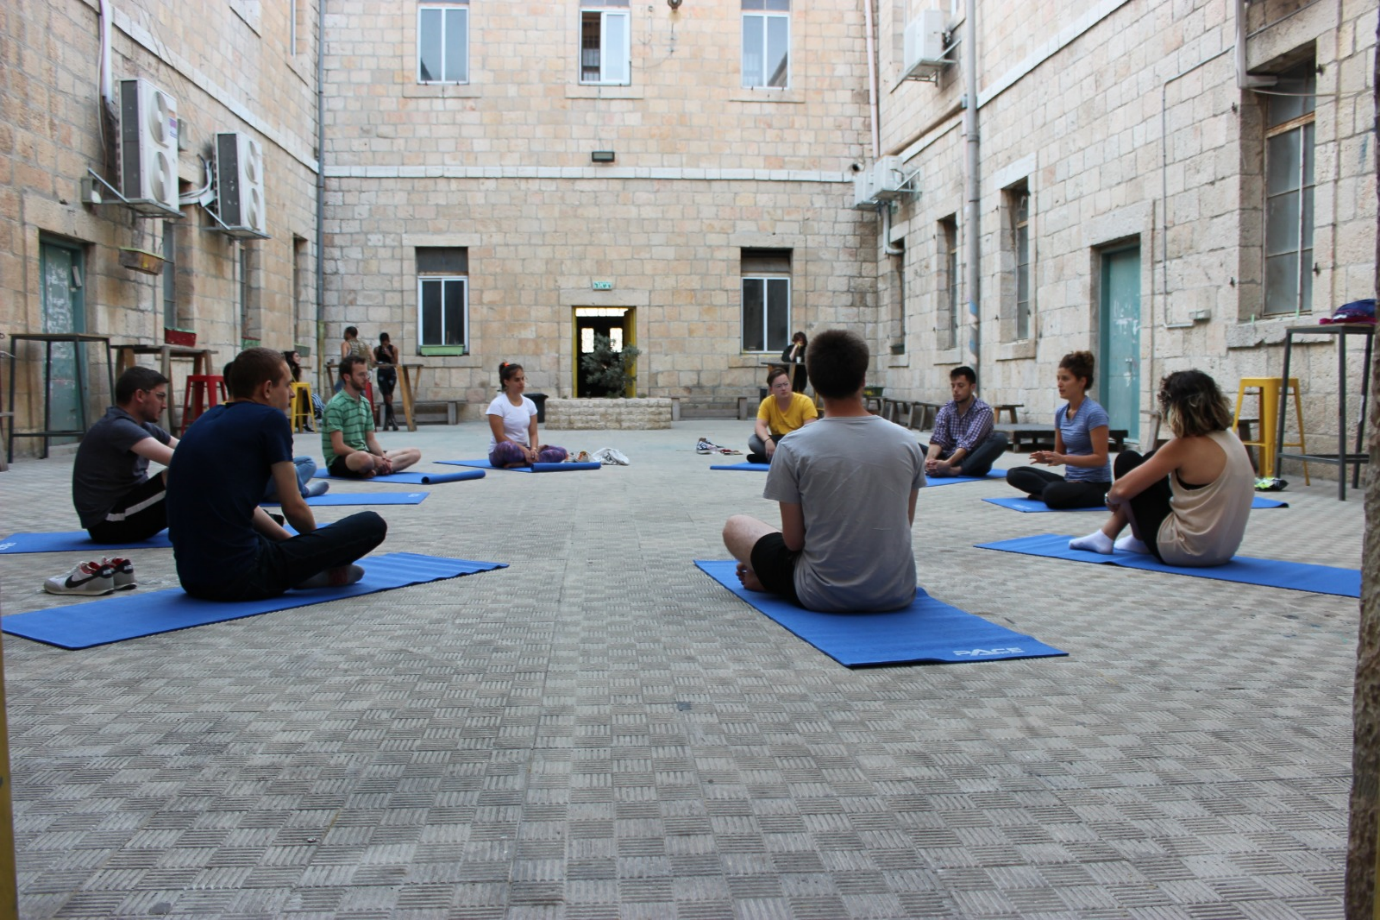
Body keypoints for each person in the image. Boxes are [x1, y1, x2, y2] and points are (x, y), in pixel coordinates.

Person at [723, 329, 925, 613]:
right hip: (897, 589)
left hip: (820, 592)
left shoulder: (793, 447)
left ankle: (772, 581)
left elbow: (794, 542)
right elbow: (904, 525)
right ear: (863, 379)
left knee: (736, 525)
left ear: (813, 384)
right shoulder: (907, 442)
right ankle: (771, 578)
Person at [165, 347, 387, 600]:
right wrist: (320, 550)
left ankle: (302, 571)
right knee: (371, 524)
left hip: (192, 578)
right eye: (287, 385)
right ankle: (308, 573)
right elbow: (292, 507)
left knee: (268, 531)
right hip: (243, 577)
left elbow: (242, 506)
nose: (292, 394)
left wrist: (294, 547)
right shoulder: (270, 419)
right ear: (267, 388)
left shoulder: (209, 418)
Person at [1070, 370, 1254, 565]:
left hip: (1185, 550)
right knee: (1150, 460)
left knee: (1128, 461)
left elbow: (1119, 490)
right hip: (1223, 551)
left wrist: (1110, 498)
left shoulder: (1185, 445)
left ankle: (1128, 538)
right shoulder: (1232, 439)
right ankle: (1109, 535)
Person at [71, 366, 179, 544]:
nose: (164, 404)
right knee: (184, 471)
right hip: (109, 524)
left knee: (194, 468)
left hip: (126, 510)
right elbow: (184, 459)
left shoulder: (140, 426)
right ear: (140, 395)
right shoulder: (119, 427)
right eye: (160, 396)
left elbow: (188, 447)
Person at [1005, 351, 1111, 508]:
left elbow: (1100, 458)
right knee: (1014, 474)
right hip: (1069, 481)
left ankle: (1049, 495)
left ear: (1082, 381)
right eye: (1058, 378)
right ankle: (1050, 495)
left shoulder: (1094, 413)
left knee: (1053, 491)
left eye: (1065, 379)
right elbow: (1059, 453)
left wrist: (1065, 459)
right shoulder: (1061, 412)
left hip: (1094, 485)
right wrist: (1047, 457)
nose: (1059, 383)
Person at [323, 355, 421, 477]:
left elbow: (370, 440)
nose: (366, 379)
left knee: (414, 453)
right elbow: (338, 447)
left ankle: (377, 469)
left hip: (365, 452)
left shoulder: (364, 403)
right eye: (361, 375)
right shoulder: (335, 405)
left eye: (366, 374)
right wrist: (373, 458)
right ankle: (375, 467)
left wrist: (382, 457)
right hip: (343, 459)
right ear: (347, 377)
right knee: (365, 459)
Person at [920, 365, 1009, 478]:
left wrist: (948, 464)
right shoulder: (946, 409)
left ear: (972, 387)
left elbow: (968, 443)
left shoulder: (983, 410)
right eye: (953, 386)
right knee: (910, 443)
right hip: (947, 455)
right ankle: (935, 467)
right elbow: (938, 439)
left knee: (1000, 439)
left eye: (960, 386)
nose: (955, 390)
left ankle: (956, 470)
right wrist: (929, 460)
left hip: (972, 461)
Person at [487, 362, 568, 467]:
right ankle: (530, 460)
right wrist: (524, 450)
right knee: (506, 447)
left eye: (522, 379)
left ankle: (522, 462)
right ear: (506, 382)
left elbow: (533, 433)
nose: (521, 383)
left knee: (561, 452)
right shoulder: (497, 404)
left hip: (524, 450)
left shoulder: (529, 404)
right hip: (503, 452)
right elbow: (500, 437)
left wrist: (534, 449)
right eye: (517, 380)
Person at [750, 366, 818, 462]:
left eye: (786, 384)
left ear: (790, 385)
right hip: (778, 440)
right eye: (778, 386)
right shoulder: (767, 402)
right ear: (771, 390)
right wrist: (767, 441)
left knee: (811, 445)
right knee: (753, 441)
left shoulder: (805, 401)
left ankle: (772, 457)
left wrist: (792, 442)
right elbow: (759, 426)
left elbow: (810, 429)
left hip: (798, 439)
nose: (783, 388)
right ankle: (784, 458)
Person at [374, 332, 400, 431]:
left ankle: (387, 422)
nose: (385, 345)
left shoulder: (393, 349)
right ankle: (393, 421)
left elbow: (395, 363)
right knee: (387, 395)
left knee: (389, 396)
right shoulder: (377, 350)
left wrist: (390, 355)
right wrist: (379, 364)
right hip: (382, 373)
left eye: (386, 343)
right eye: (383, 343)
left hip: (391, 373)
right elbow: (374, 362)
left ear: (389, 341)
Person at [335, 325, 371, 395]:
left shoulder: (346, 344)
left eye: (345, 333)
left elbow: (344, 358)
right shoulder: (365, 344)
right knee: (360, 391)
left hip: (351, 372)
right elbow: (373, 359)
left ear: (348, 334)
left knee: (339, 388)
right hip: (365, 372)